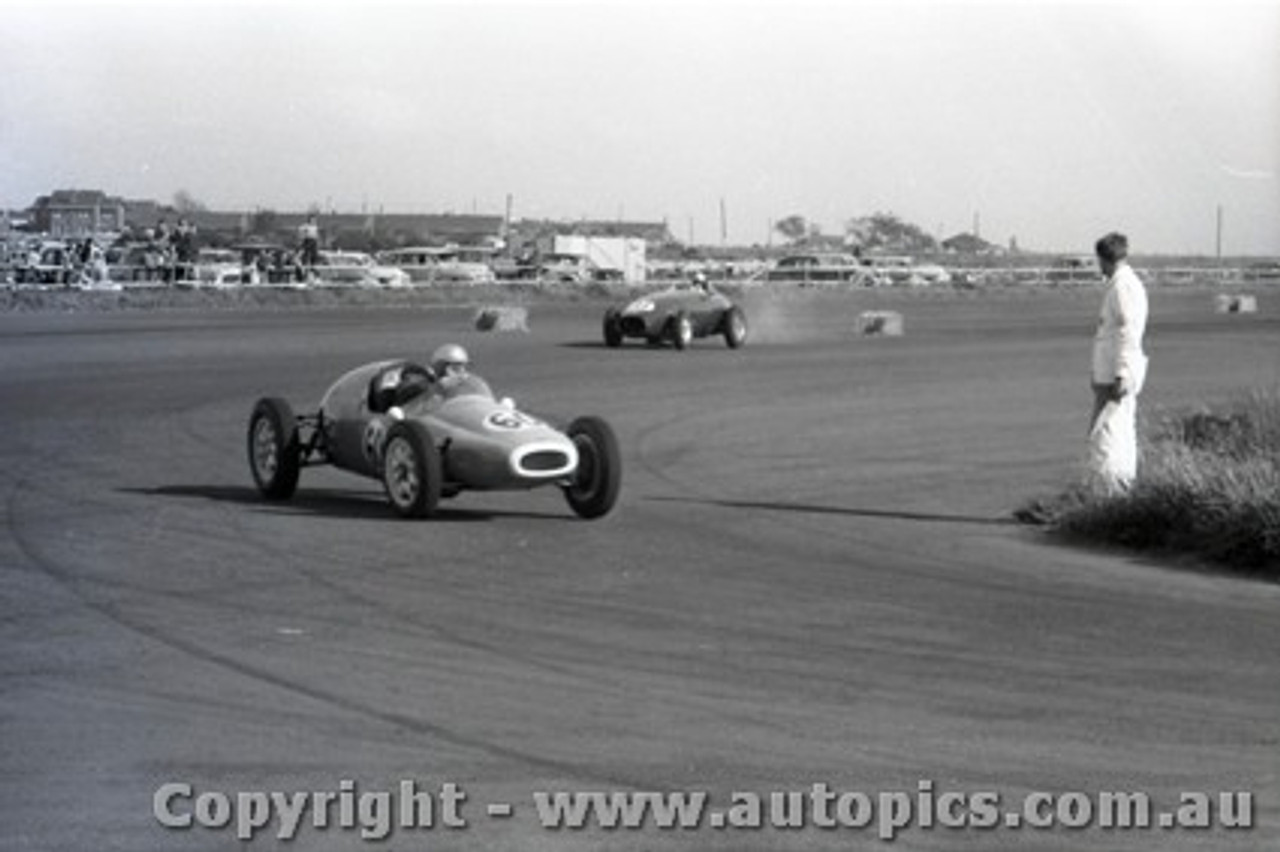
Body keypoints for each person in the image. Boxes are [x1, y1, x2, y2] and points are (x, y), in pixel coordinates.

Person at [1088, 231, 1149, 495]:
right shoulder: (1124, 283)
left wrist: (1122, 373)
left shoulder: (1123, 286)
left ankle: (1109, 491)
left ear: (1104, 258)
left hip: (1116, 374)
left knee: (1106, 434)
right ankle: (1121, 488)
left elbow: (1128, 331)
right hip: (1115, 371)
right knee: (1120, 430)